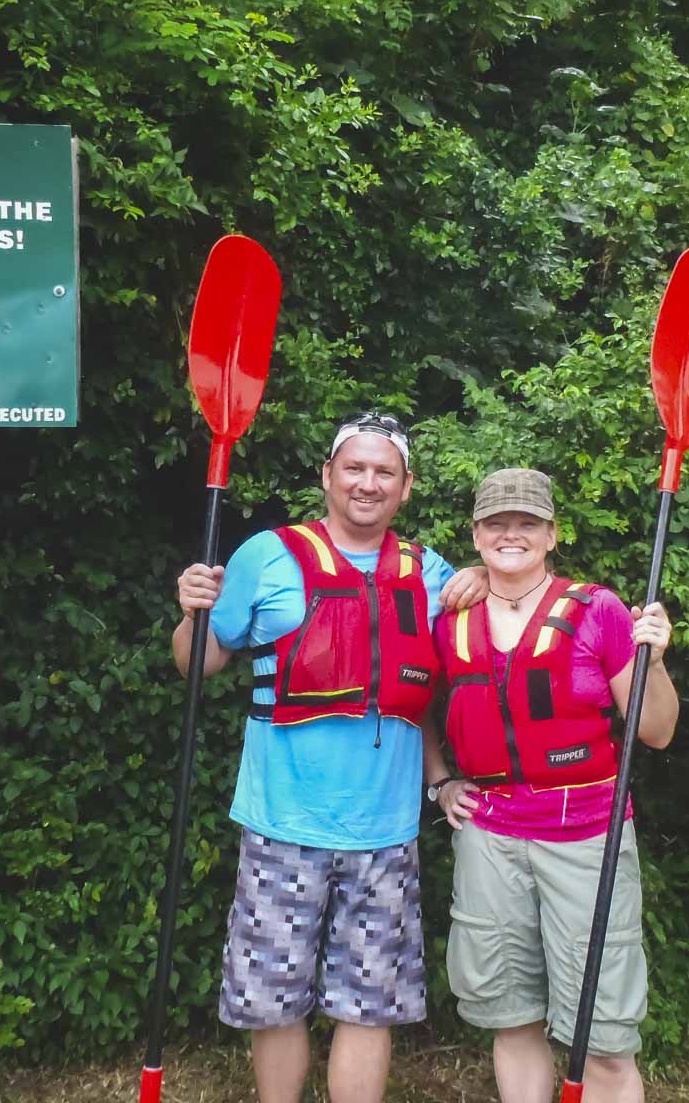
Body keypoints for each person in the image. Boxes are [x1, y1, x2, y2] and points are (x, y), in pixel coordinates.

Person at [173, 411, 484, 1103]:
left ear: (405, 488)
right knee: (272, 1000)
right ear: (328, 476)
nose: (367, 484)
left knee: (368, 1004)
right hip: (283, 821)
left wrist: (479, 579)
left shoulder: (431, 574)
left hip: (386, 832)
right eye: (355, 468)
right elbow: (201, 665)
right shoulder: (267, 557)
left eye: (384, 473)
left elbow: (441, 676)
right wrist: (192, 613)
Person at [423, 468, 677, 1103]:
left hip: (587, 836)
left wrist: (657, 659)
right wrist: (441, 781)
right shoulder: (451, 614)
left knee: (606, 1038)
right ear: (476, 535)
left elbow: (657, 731)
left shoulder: (600, 610)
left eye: (527, 523)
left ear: (552, 534)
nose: (512, 534)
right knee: (511, 1020)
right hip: (490, 837)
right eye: (496, 523)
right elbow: (417, 707)